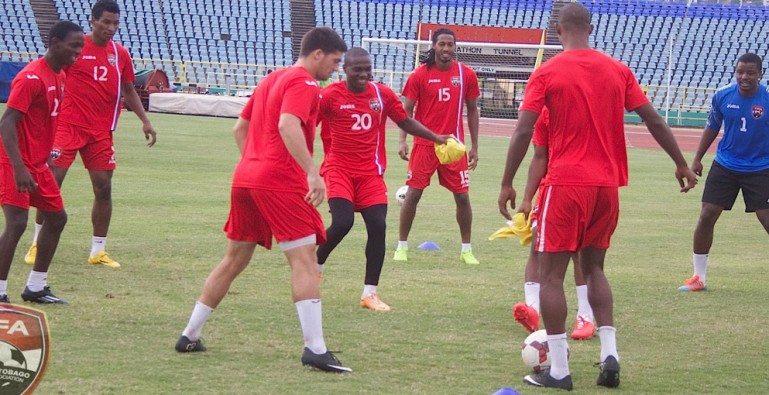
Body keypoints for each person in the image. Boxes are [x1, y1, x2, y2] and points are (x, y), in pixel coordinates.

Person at [497, 3, 697, 390]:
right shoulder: (618, 69)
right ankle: (610, 356)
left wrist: (508, 182)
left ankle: (558, 371)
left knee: (551, 275)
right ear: (592, 27)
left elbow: (524, 131)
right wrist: (681, 163)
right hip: (607, 188)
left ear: (557, 30)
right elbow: (654, 119)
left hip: (565, 185)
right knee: (595, 270)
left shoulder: (547, 72)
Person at [175, 27, 352, 373]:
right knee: (305, 259)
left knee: (233, 260)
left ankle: (189, 333)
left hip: (246, 179)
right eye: (334, 61)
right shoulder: (303, 83)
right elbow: (288, 125)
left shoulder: (271, 79)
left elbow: (239, 129)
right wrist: (312, 173)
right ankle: (315, 349)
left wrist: (255, 166)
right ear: (318, 54)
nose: (336, 69)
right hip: (280, 183)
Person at [25, 0, 157, 269]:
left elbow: (129, 89)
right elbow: (49, 74)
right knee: (52, 183)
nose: (111, 28)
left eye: (115, 23)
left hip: (100, 131)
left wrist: (145, 120)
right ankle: (37, 242)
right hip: (67, 127)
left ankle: (98, 249)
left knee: (104, 187)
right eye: (106, 22)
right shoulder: (74, 48)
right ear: (93, 21)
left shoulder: (119, 54)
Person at [316, 48, 449, 312]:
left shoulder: (381, 94)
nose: (364, 74)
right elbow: (307, 123)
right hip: (338, 169)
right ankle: (315, 266)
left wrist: (435, 137)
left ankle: (369, 294)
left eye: (368, 69)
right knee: (342, 222)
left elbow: (405, 121)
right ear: (345, 70)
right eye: (358, 69)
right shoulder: (330, 96)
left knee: (378, 226)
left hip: (370, 173)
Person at [0, 21, 85, 304]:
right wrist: (19, 167)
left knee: (58, 218)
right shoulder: (30, 78)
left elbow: (42, 122)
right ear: (54, 43)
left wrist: (45, 157)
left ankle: (35, 286)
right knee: (17, 223)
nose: (78, 51)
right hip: (14, 162)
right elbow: (7, 122)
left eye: (80, 46)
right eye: (74, 46)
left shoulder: (59, 75)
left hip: (37, 162)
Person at [678, 53, 769, 292]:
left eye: (750, 72)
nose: (744, 77)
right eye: (740, 72)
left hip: (761, 167)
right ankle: (699, 277)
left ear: (760, 73)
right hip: (726, 165)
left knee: (766, 219)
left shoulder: (767, 97)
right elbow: (712, 126)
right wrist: (697, 159)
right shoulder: (722, 95)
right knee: (707, 215)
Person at [393, 28, 481, 264]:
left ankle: (466, 250)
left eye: (450, 44)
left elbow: (473, 110)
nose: (446, 49)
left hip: (453, 146)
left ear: (455, 47)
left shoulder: (466, 75)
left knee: (462, 197)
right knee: (413, 194)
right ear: (433, 46)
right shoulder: (419, 75)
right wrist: (402, 140)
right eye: (441, 44)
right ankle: (401, 246)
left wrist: (474, 146)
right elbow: (406, 111)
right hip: (424, 144)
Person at [513, 107, 595, 341]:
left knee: (579, 251)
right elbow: (540, 156)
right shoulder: (546, 113)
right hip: (553, 186)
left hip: (587, 185)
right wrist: (527, 198)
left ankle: (586, 316)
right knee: (538, 243)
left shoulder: (590, 107)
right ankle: (532, 309)